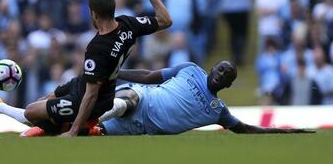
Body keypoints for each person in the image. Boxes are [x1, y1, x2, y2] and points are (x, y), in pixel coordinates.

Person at [0, 0, 173, 137]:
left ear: (93, 14)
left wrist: (73, 132)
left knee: (31, 113)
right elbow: (165, 21)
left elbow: (91, 94)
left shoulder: (97, 48)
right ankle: (59, 127)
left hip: (95, 97)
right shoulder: (128, 23)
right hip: (83, 82)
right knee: (44, 102)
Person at [95, 61, 314, 135]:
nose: (221, 74)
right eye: (220, 69)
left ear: (228, 85)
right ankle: (86, 116)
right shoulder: (190, 69)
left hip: (140, 126)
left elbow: (246, 130)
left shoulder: (218, 111)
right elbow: (149, 76)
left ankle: (76, 126)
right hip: (144, 97)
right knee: (129, 99)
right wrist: (117, 72)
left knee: (94, 133)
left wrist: (286, 132)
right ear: (212, 68)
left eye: (226, 76)